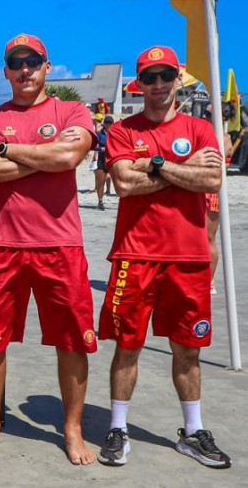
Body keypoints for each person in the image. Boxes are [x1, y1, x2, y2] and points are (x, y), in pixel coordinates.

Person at [0, 33, 98, 465]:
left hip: (60, 244)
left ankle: (72, 429)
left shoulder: (72, 111)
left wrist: (8, 150)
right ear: (5, 70)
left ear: (47, 67)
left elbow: (68, 159)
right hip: (0, 244)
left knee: (72, 342)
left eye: (33, 62)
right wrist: (45, 155)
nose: (25, 70)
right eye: (16, 63)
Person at [96, 46, 230, 468]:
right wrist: (181, 165)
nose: (158, 84)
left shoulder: (200, 127)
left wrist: (153, 165)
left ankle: (193, 431)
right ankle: (118, 428)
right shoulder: (122, 129)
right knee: (128, 346)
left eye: (166, 76)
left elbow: (211, 178)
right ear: (138, 84)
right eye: (150, 77)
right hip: (134, 255)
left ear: (177, 79)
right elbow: (124, 184)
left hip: (189, 258)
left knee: (187, 349)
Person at [205, 107, 232, 295]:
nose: (204, 116)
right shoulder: (207, 133)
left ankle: (209, 280)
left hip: (212, 191)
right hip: (199, 188)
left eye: (209, 114)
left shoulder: (223, 137)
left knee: (208, 237)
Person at [93, 116, 115, 210]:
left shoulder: (116, 134)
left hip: (113, 159)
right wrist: (100, 148)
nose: (108, 125)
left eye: (110, 123)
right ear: (104, 124)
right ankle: (100, 201)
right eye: (107, 123)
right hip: (102, 159)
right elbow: (92, 146)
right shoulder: (99, 134)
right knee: (100, 182)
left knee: (119, 180)